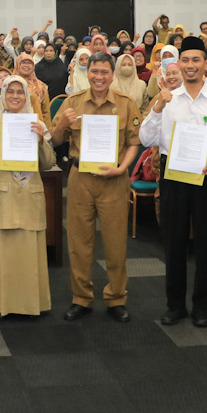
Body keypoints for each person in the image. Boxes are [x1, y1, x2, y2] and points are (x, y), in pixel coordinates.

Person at [139, 36, 207, 328]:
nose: (190, 66)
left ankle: (201, 305)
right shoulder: (167, 99)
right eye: (184, 60)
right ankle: (175, 305)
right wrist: (157, 108)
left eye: (196, 60)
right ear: (178, 64)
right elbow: (146, 139)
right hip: (174, 179)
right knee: (173, 244)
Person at [52, 53, 141, 323]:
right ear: (86, 72)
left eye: (104, 72)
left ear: (112, 75)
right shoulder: (72, 102)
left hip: (114, 179)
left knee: (115, 243)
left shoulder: (126, 104)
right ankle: (81, 298)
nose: (99, 77)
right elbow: (55, 140)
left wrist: (122, 168)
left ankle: (116, 297)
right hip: (81, 178)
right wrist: (63, 123)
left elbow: (134, 143)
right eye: (94, 72)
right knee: (79, 243)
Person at [0, 75, 55, 317]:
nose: (15, 96)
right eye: (10, 91)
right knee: (0, 254)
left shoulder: (37, 123)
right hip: (0, 197)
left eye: (20, 92)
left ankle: (30, 304)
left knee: (28, 254)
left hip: (28, 195)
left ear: (26, 96)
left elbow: (48, 164)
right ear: (3, 94)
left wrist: (41, 141)